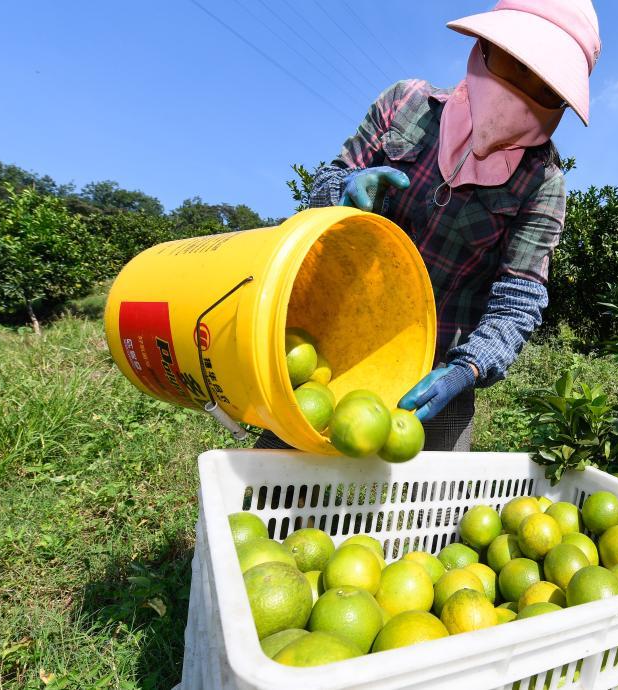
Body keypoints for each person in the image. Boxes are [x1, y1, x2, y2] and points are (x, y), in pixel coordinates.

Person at [256, 0, 600, 452]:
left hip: (435, 376)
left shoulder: (542, 184)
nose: (521, 93)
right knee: (286, 483)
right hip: (332, 347)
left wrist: (468, 369)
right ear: (483, 49)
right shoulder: (405, 106)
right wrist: (341, 191)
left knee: (422, 513)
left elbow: (518, 299)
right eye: (515, 66)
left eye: (544, 87)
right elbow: (327, 181)